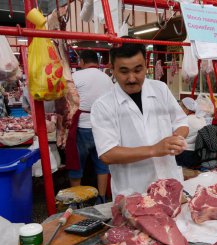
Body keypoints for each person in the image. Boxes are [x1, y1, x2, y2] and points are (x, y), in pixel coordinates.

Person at [90, 39, 189, 198]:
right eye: (124, 71)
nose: (131, 78)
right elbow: (107, 153)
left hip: (169, 182)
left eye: (138, 70)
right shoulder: (103, 105)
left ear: (145, 66)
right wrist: (154, 149)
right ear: (112, 70)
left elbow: (181, 121)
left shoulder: (160, 89)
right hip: (133, 192)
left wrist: (176, 139)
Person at [65, 50, 114, 204]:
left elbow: (67, 100)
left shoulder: (75, 76)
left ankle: (76, 201)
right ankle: (101, 198)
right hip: (102, 126)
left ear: (82, 61)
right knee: (102, 164)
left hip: (82, 126)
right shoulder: (107, 78)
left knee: (76, 165)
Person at [175, 97, 206, 168]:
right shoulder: (202, 118)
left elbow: (177, 136)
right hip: (198, 153)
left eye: (181, 107)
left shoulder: (185, 120)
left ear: (186, 108)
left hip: (184, 153)